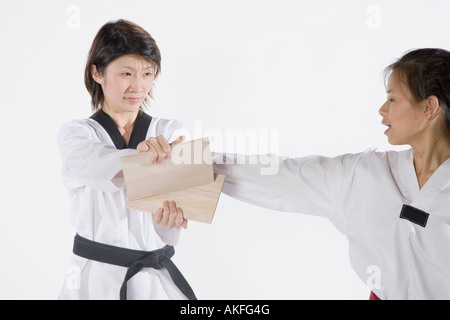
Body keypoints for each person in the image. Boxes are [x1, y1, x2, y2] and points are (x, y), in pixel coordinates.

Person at [213, 48, 450, 300]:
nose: (382, 109)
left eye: (392, 99)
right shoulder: (364, 174)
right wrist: (196, 163)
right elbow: (283, 176)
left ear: (429, 107)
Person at [57, 19, 196, 300]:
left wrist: (169, 221)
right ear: (97, 73)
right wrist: (146, 157)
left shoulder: (170, 131)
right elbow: (97, 166)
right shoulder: (77, 134)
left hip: (155, 280)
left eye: (147, 73)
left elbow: (175, 208)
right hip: (93, 279)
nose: (139, 86)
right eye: (126, 74)